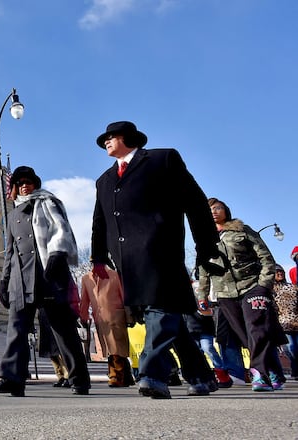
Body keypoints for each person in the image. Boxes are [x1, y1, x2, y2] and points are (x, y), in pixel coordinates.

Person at [90, 121, 222, 399]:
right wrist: (98, 258)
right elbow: (99, 222)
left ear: (125, 137)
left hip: (161, 251)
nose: (105, 143)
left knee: (159, 311)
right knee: (166, 314)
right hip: (128, 261)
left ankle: (151, 374)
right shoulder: (104, 180)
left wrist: (206, 245)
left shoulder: (163, 159)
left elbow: (195, 202)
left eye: (110, 137)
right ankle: (201, 377)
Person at [0, 166, 91, 397]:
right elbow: (10, 251)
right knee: (16, 329)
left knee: (62, 330)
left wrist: (56, 255)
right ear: (14, 187)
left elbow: (60, 230)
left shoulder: (47, 202)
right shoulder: (12, 215)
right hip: (20, 278)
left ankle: (79, 379)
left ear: (36, 184)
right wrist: (5, 280)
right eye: (20, 182)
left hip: (48, 274)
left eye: (29, 181)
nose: (25, 185)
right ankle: (12, 379)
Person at [196, 198, 286, 391]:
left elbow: (265, 256)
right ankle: (273, 370)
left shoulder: (242, 230)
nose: (214, 211)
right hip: (224, 293)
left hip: (252, 286)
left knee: (257, 328)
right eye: (209, 209)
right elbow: (203, 269)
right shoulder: (204, 237)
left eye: (218, 208)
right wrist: (202, 295)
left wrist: (264, 284)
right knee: (244, 335)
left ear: (226, 210)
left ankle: (259, 374)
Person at [79, 265, 135, 387]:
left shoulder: (114, 275)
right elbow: (84, 299)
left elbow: (124, 295)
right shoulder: (86, 278)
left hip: (116, 317)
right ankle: (126, 376)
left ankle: (116, 375)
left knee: (116, 347)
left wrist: (129, 316)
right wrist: (83, 317)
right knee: (111, 348)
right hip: (100, 319)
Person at [272, 264, 298, 380]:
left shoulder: (292, 287)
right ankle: (295, 369)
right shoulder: (270, 289)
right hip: (283, 323)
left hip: (296, 321)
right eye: (277, 272)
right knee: (291, 348)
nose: (280, 273)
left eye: (281, 271)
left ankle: (296, 371)